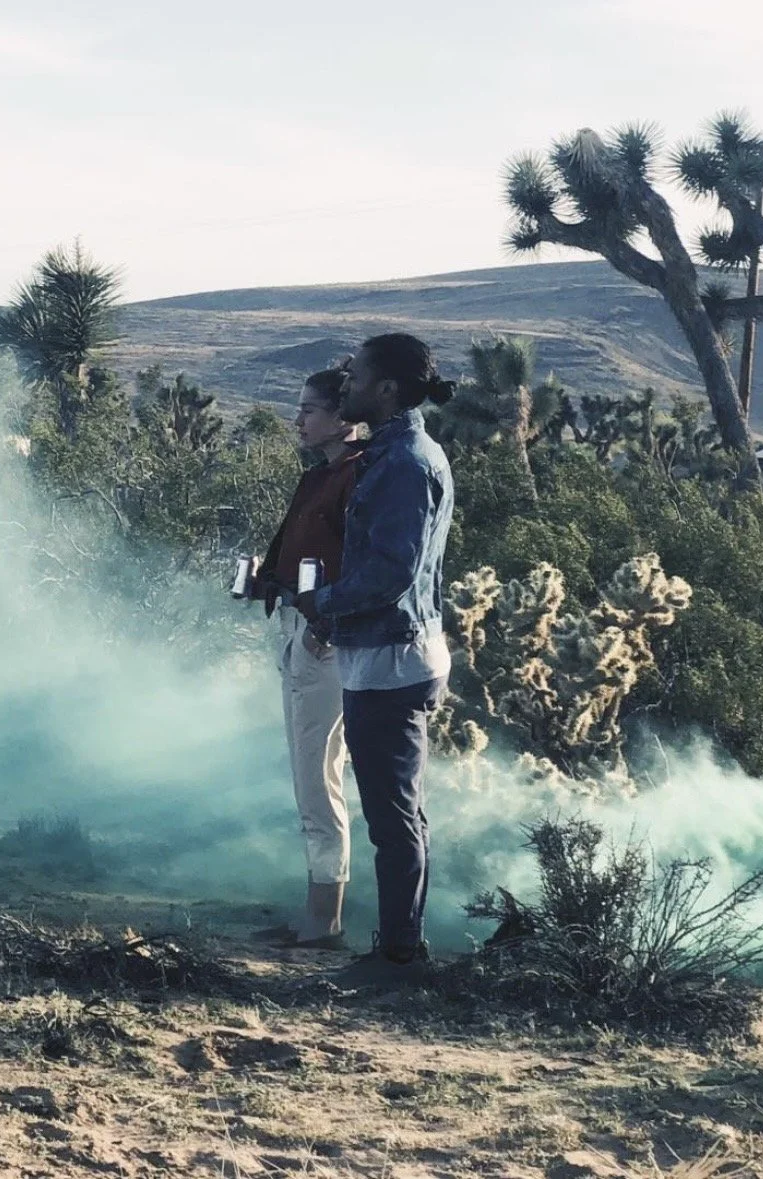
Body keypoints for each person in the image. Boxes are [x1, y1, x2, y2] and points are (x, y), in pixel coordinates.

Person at [293, 333, 455, 979]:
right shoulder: (400, 453)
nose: (346, 381)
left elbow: (390, 570)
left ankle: (398, 956)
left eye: (356, 375)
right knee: (399, 812)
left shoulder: (401, 463)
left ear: (385, 389)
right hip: (395, 651)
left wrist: (321, 604)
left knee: (392, 818)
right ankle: (399, 945)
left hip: (391, 658)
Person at [253, 368, 362, 950]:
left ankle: (326, 920)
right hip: (307, 630)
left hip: (327, 639)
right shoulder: (323, 475)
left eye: (309, 410)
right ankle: (318, 913)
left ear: (343, 416)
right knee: (311, 775)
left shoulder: (354, 474)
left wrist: (327, 622)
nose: (298, 420)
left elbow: (363, 563)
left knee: (319, 778)